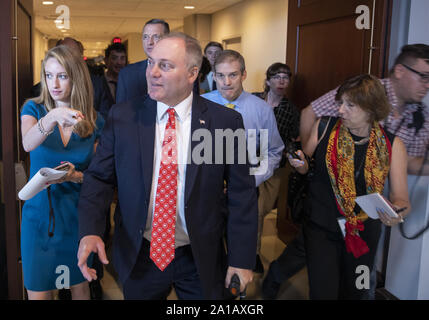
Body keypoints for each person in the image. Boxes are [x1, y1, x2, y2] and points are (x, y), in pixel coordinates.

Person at [76, 32, 258, 299]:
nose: (153, 72)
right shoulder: (124, 117)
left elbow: (241, 195)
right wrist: (91, 230)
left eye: (166, 65)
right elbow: (99, 179)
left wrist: (241, 258)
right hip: (141, 254)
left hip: (199, 256)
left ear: (192, 73)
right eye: (151, 62)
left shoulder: (223, 123)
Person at [289, 74, 410, 299]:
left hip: (364, 237)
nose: (341, 110)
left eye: (349, 105)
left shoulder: (394, 145)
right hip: (321, 229)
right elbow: (306, 162)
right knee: (322, 292)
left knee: (357, 291)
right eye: (340, 103)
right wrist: (300, 165)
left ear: (371, 109)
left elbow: (401, 198)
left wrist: (397, 212)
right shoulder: (324, 126)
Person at [20, 45, 105, 300]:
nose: (54, 83)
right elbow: (28, 143)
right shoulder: (33, 110)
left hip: (77, 218)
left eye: (62, 75)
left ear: (75, 77)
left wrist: (74, 176)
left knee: (79, 290)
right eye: (49, 75)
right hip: (39, 218)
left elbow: (99, 176)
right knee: (39, 294)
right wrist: (54, 115)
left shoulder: (95, 121)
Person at [202, 50, 284, 273]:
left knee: (241, 248)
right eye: (220, 76)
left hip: (244, 190)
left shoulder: (261, 110)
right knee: (208, 248)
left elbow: (273, 151)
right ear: (214, 76)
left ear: (244, 74)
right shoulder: (201, 106)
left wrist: (253, 179)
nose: (226, 82)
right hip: (208, 192)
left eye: (233, 75)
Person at [253, 63, 300, 273]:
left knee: (261, 210)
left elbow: (292, 139)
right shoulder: (253, 100)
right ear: (268, 80)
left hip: (273, 166)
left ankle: (250, 250)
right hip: (247, 161)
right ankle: (252, 254)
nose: (282, 81)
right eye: (277, 76)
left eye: (286, 77)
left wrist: (292, 155)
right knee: (252, 210)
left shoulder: (291, 110)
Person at [116, 19, 170, 103]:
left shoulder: (180, 71)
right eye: (145, 37)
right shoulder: (126, 74)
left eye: (156, 37)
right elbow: (120, 112)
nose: (149, 42)